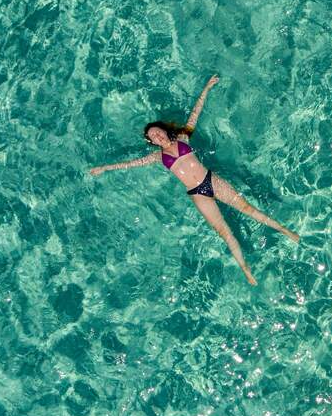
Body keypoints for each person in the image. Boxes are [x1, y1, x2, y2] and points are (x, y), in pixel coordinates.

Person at [90, 75, 299, 286]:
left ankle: (285, 231)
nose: (157, 136)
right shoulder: (157, 157)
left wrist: (206, 87)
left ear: (164, 130)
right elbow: (130, 164)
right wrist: (104, 168)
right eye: (153, 137)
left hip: (211, 180)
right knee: (224, 232)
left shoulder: (183, 138)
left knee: (248, 210)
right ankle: (246, 270)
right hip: (198, 195)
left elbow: (195, 114)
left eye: (158, 132)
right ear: (152, 142)